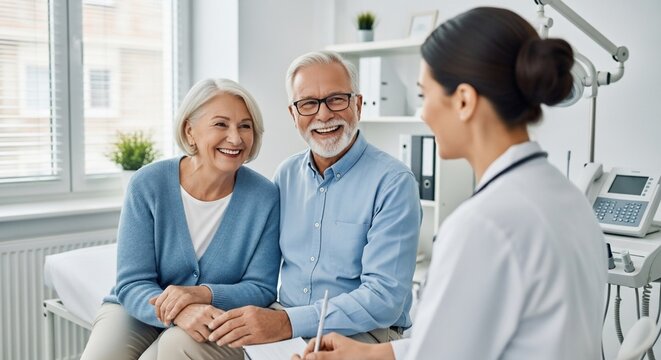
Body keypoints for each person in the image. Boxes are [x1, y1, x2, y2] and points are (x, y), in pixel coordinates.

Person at [292, 7, 607, 360]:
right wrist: (370, 355)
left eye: (425, 96)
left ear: (464, 101)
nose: (421, 114)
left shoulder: (484, 224)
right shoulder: (567, 197)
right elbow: (453, 343)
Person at [200, 51, 422, 351]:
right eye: (308, 104)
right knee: (191, 344)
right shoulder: (285, 175)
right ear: (293, 114)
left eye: (337, 99)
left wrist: (287, 322)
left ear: (358, 105)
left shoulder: (394, 182)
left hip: (364, 336)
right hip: (283, 324)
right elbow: (257, 270)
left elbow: (384, 299)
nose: (323, 114)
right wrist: (200, 295)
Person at [80, 78, 281, 360]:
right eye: (220, 124)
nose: (235, 138)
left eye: (245, 126)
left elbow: (261, 288)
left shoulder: (265, 197)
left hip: (214, 316)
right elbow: (132, 282)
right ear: (190, 131)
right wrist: (182, 311)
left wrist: (202, 295)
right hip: (137, 308)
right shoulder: (148, 184)